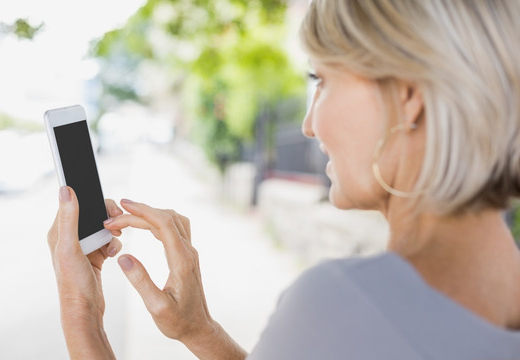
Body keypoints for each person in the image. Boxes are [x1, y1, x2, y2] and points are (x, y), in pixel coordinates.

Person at [48, 0, 520, 358]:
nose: (309, 123)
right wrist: (198, 329)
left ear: (409, 95)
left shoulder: (345, 304)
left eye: (324, 80)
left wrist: (80, 311)